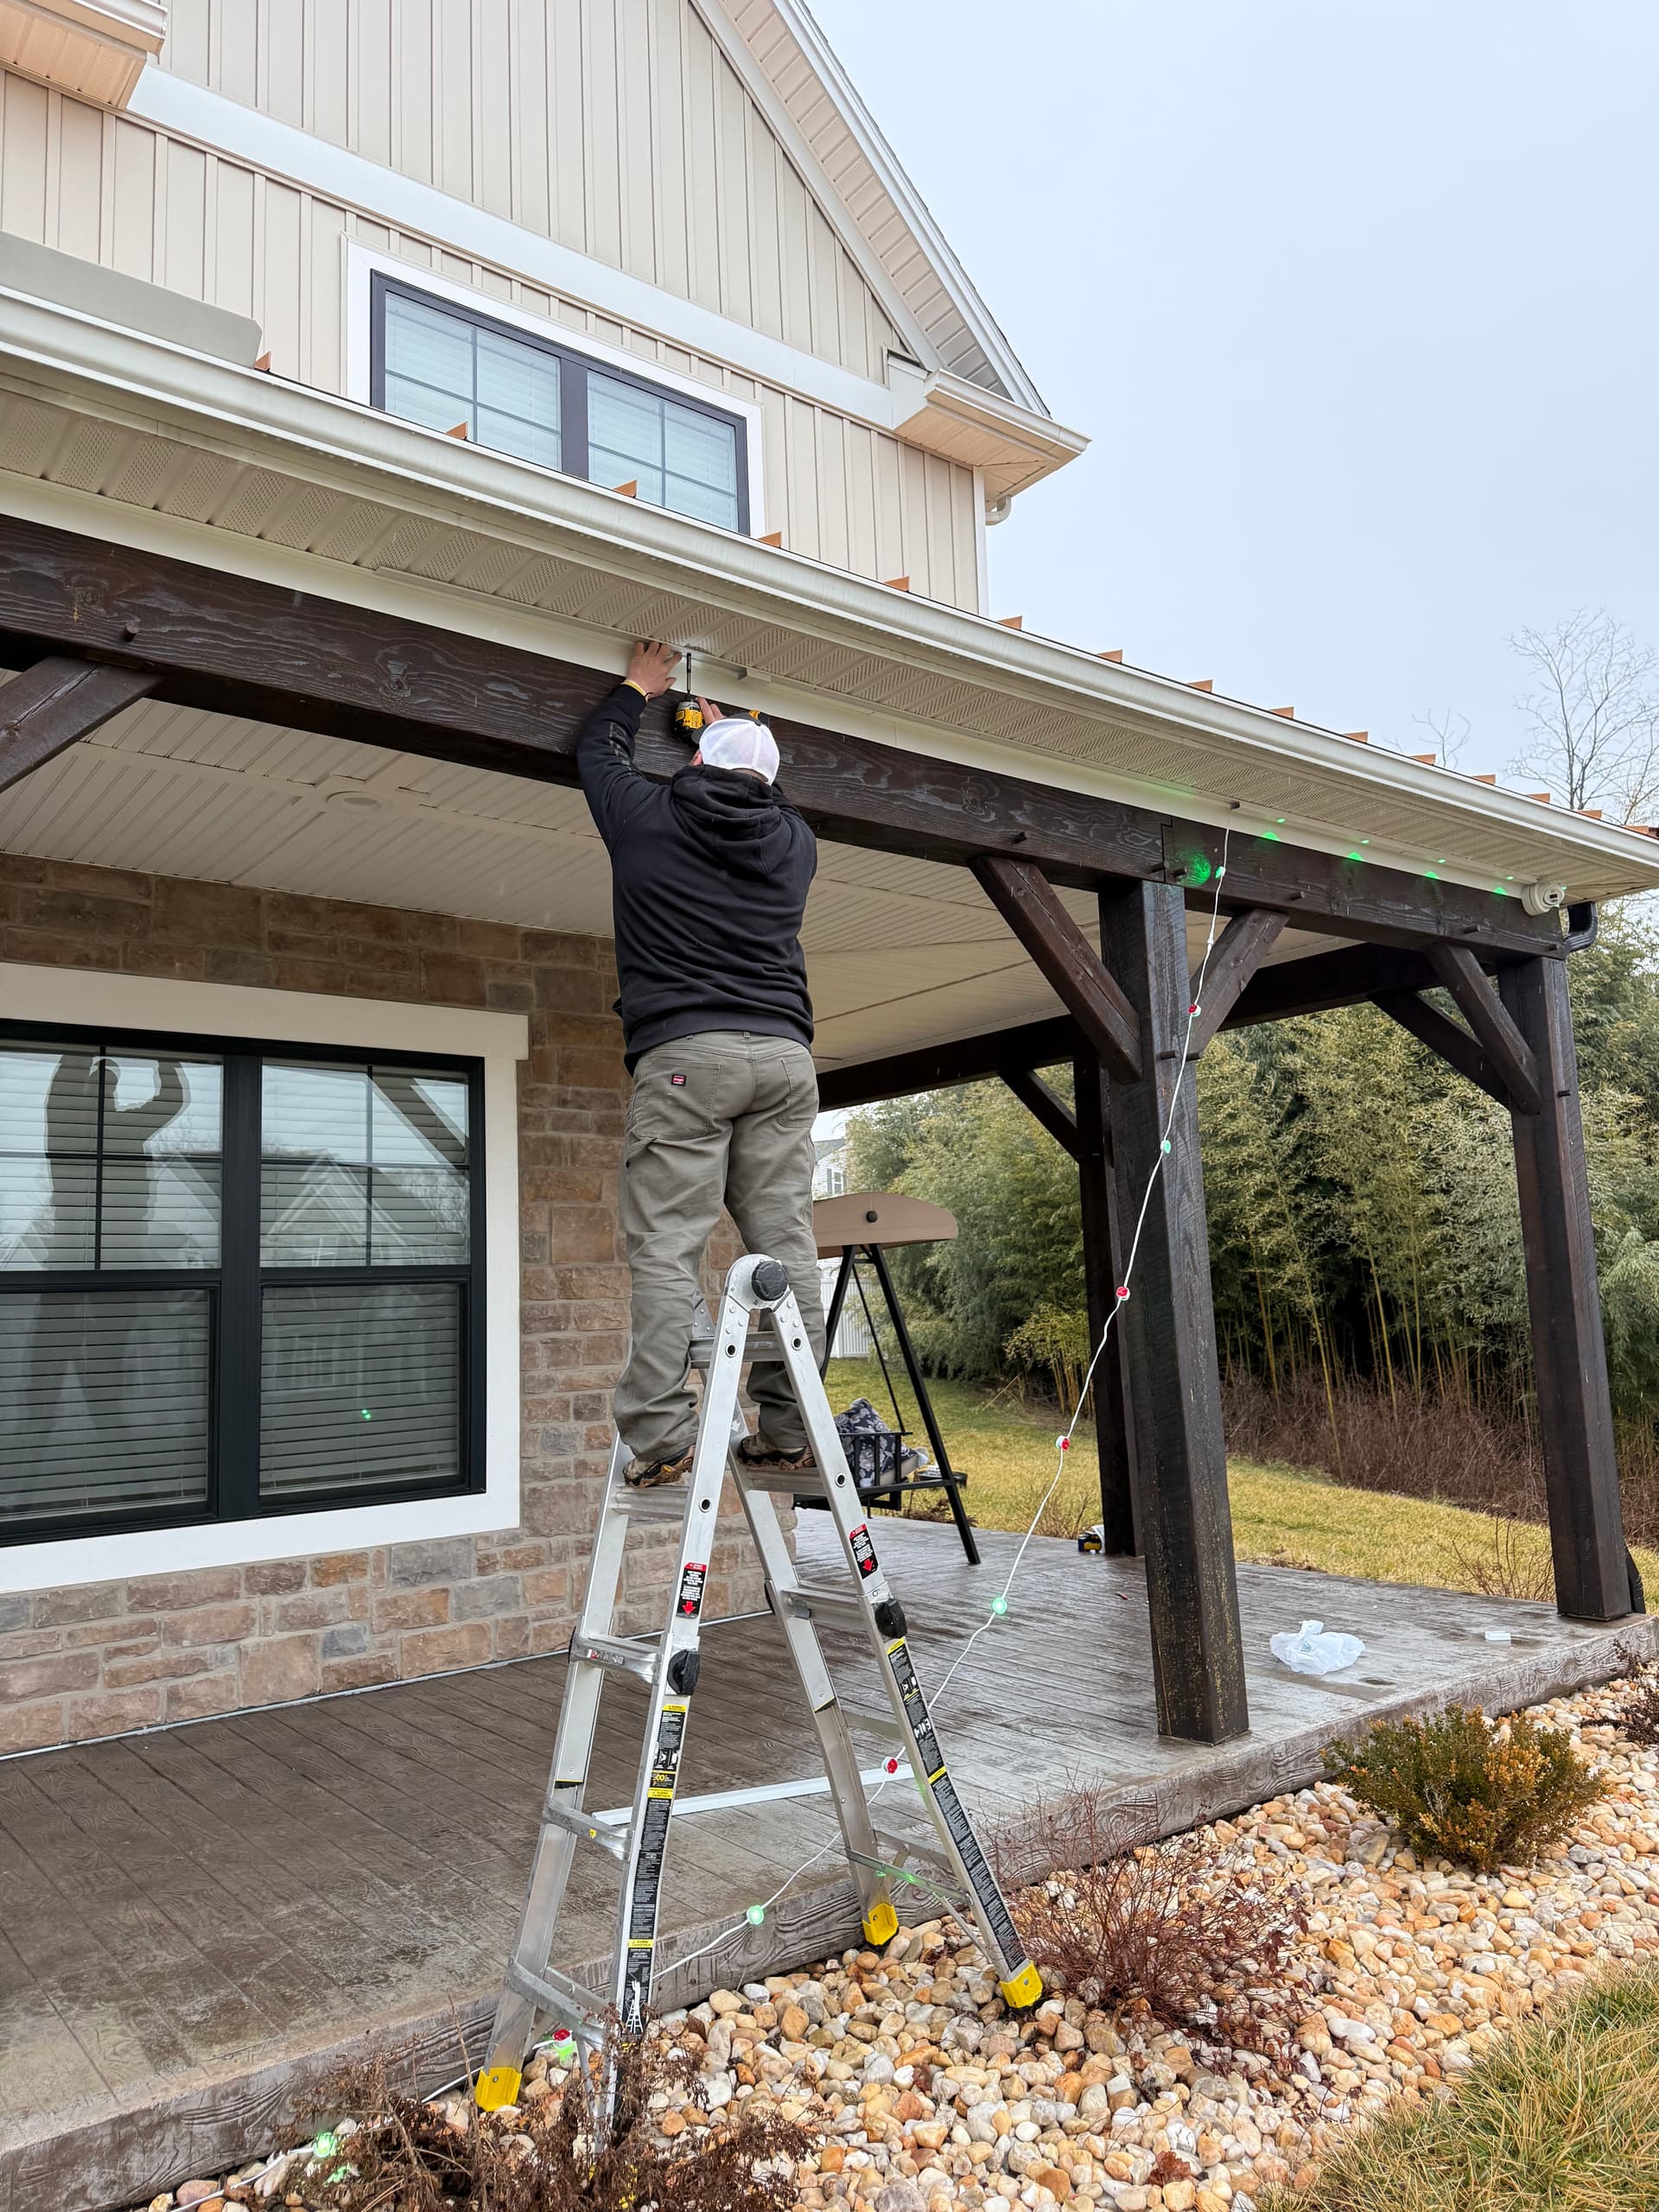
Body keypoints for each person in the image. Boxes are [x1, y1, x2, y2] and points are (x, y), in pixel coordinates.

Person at [578, 639, 827, 1488]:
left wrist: (635, 689)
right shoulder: (795, 845)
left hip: (688, 1054)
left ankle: (660, 1434)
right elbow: (760, 797)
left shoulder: (646, 818)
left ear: (695, 763)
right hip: (784, 1058)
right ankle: (793, 1427)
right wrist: (728, 749)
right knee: (786, 1239)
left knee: (667, 1244)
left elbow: (595, 751)